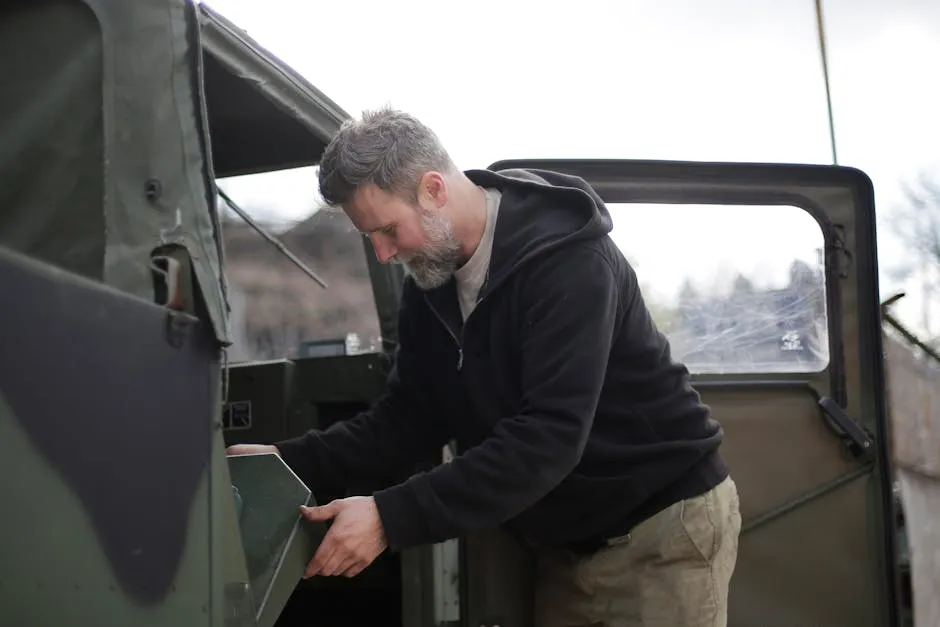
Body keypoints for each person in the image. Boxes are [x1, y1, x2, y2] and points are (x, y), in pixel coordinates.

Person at [228, 107, 742, 626]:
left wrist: (388, 517)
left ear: (433, 190)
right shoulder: (431, 282)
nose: (383, 254)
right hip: (565, 540)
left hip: (661, 526)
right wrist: (285, 461)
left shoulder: (569, 264)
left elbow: (549, 436)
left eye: (387, 230)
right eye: (371, 239)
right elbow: (409, 419)